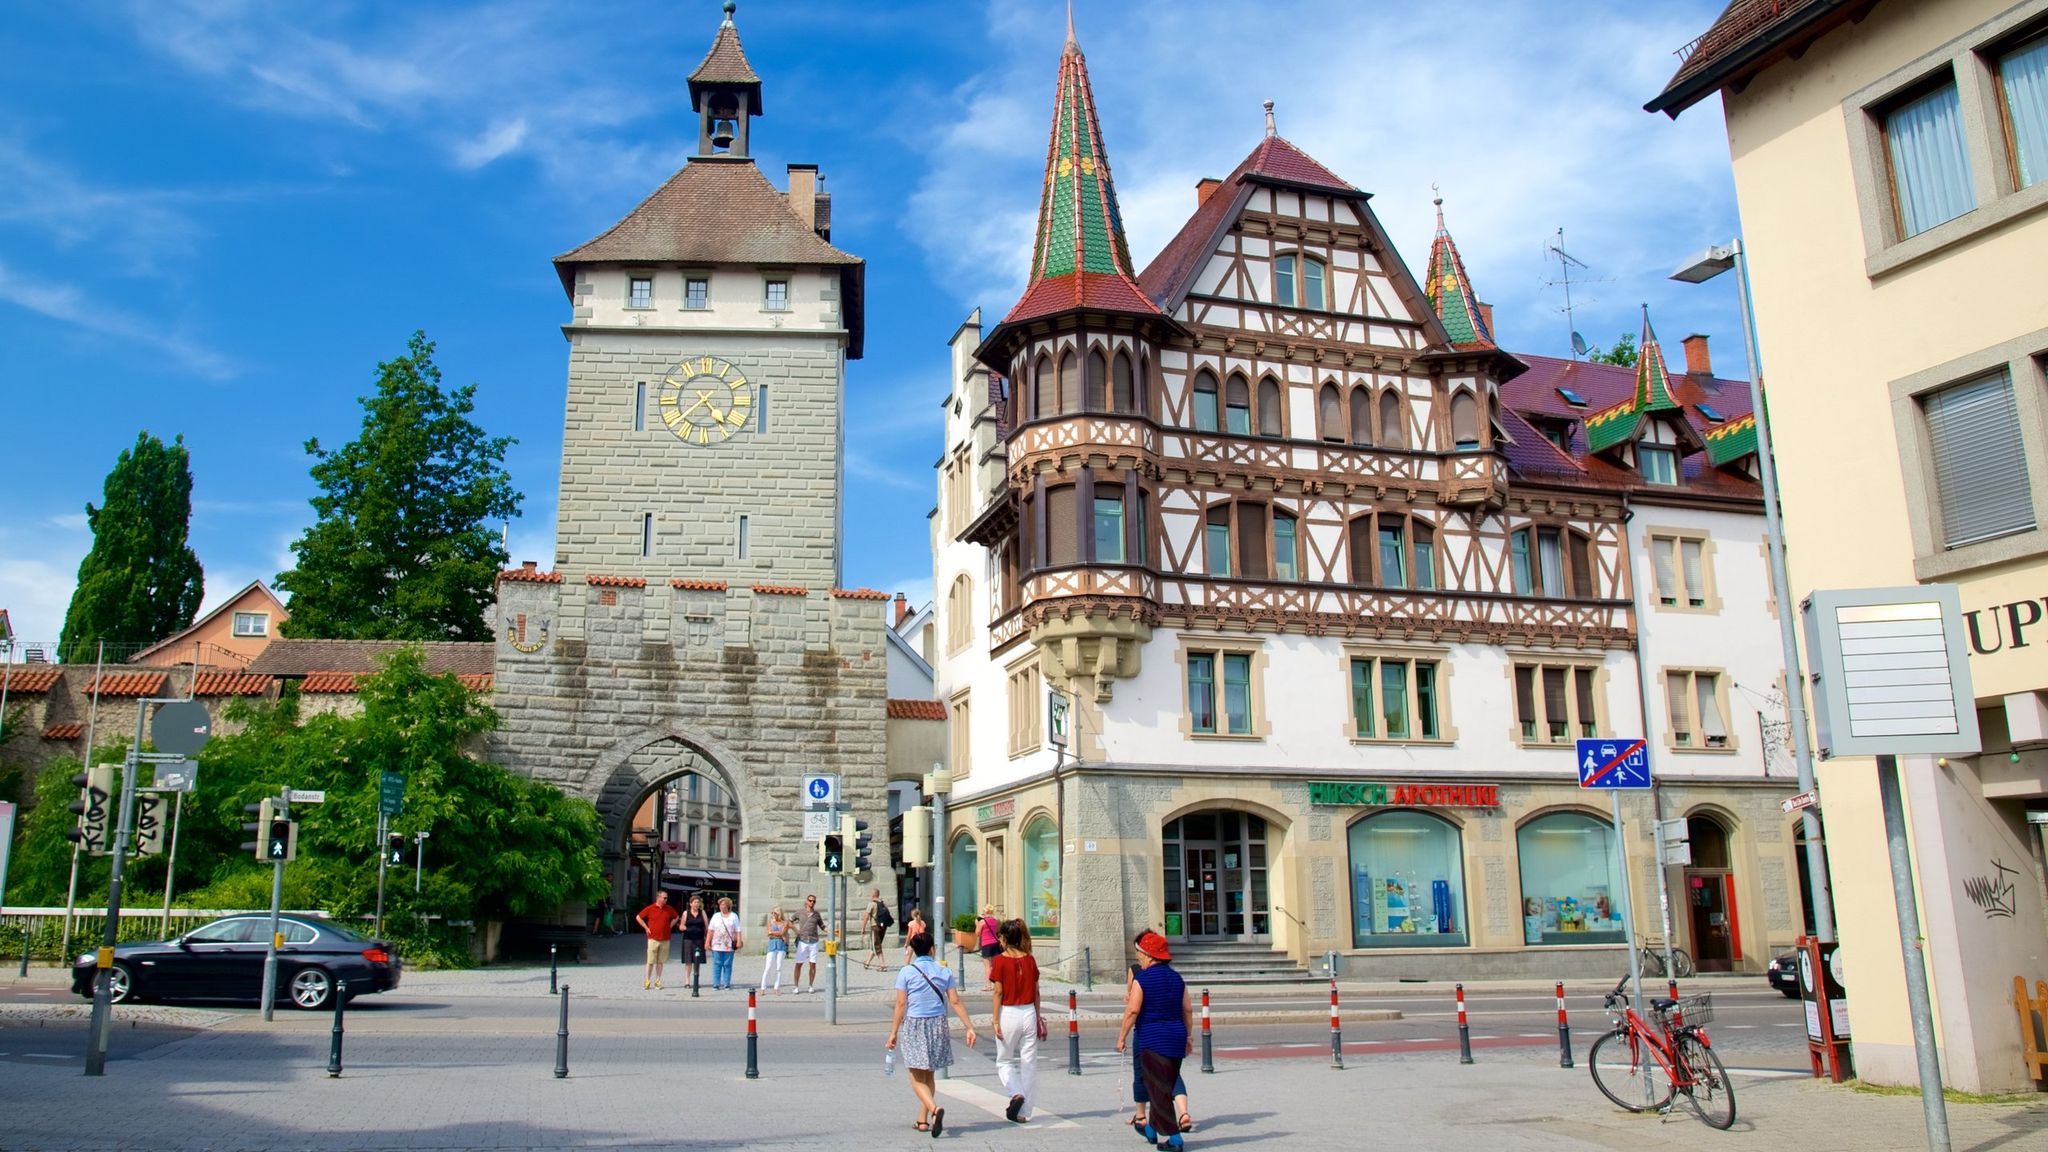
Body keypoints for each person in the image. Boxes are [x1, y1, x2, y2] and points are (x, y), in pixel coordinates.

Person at [886, 931, 978, 1136]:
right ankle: (922, 1120)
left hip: (915, 1024)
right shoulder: (943, 971)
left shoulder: (906, 972)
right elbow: (955, 1001)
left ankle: (935, 1110)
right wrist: (969, 1027)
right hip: (938, 1024)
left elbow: (901, 1004)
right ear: (932, 949)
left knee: (915, 1076)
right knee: (929, 1074)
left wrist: (893, 1032)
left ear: (914, 950)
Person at [1117, 930, 1193, 1151]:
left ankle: (1174, 1138)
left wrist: (1121, 1036)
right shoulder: (1177, 978)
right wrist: (1189, 1036)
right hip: (1176, 1037)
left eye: (1139, 952)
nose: (1138, 956)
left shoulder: (1143, 978)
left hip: (1153, 1039)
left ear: (1149, 954)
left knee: (1158, 1089)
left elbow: (1132, 1011)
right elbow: (1187, 1009)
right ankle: (1151, 1129)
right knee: (1164, 1084)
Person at [989, 918, 1045, 1124]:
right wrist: (1037, 1017)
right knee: (1029, 1062)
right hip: (1029, 1011)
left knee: (1004, 1060)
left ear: (1004, 938)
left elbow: (998, 992)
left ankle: (1016, 1093)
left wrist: (995, 1020)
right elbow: (1037, 992)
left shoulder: (1000, 960)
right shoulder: (1030, 959)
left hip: (1009, 1012)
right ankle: (1025, 1111)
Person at [634, 890, 681, 990]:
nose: (665, 900)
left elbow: (676, 917)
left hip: (665, 938)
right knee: (650, 961)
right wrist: (646, 928)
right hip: (653, 938)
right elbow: (638, 917)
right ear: (658, 898)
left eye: (666, 898)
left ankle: (658, 981)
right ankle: (647, 980)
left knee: (660, 961)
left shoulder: (669, 909)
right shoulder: (651, 908)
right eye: (664, 898)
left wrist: (670, 925)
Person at [790, 893, 826, 994]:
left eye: (814, 901)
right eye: (810, 900)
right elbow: (789, 921)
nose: (812, 903)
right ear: (806, 901)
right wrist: (795, 930)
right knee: (799, 964)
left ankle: (810, 985)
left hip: (813, 941)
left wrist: (831, 931)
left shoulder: (816, 914)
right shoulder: (800, 912)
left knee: (813, 964)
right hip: (803, 941)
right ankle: (796, 986)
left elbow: (822, 926)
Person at [706, 896, 744, 990]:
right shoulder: (716, 916)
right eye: (720, 905)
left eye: (724, 905)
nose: (722, 906)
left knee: (727, 964)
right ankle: (716, 983)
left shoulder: (734, 916)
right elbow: (710, 930)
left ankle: (726, 983)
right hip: (717, 944)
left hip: (729, 945)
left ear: (728, 906)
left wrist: (739, 941)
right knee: (717, 964)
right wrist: (707, 942)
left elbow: (738, 930)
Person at [677, 894, 709, 990]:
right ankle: (687, 981)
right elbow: (681, 926)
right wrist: (683, 927)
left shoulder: (702, 912)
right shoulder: (686, 913)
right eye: (695, 902)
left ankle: (696, 980)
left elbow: (707, 926)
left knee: (697, 961)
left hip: (699, 939)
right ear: (690, 904)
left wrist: (707, 939)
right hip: (688, 939)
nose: (697, 904)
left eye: (698, 902)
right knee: (688, 961)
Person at [860, 888, 893, 970]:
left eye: (870, 894)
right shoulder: (883, 903)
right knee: (875, 945)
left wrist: (863, 928)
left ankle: (883, 965)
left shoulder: (872, 904)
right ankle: (867, 963)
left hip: (875, 927)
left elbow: (866, 916)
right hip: (883, 927)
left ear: (873, 895)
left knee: (876, 946)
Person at [760, 906, 790, 993]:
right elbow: (768, 934)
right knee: (768, 967)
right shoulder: (770, 922)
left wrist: (774, 933)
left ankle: (776, 987)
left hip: (781, 946)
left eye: (776, 913)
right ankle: (763, 988)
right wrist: (779, 935)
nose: (774, 915)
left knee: (779, 967)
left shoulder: (785, 923)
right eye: (773, 913)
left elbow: (782, 932)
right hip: (772, 946)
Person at [976, 904, 1001, 988]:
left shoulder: (982, 922)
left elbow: (977, 933)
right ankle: (995, 984)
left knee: (987, 966)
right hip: (995, 944)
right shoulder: (995, 920)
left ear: (985, 912)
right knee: (994, 966)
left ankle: (988, 985)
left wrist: (977, 923)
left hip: (986, 944)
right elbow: (997, 931)